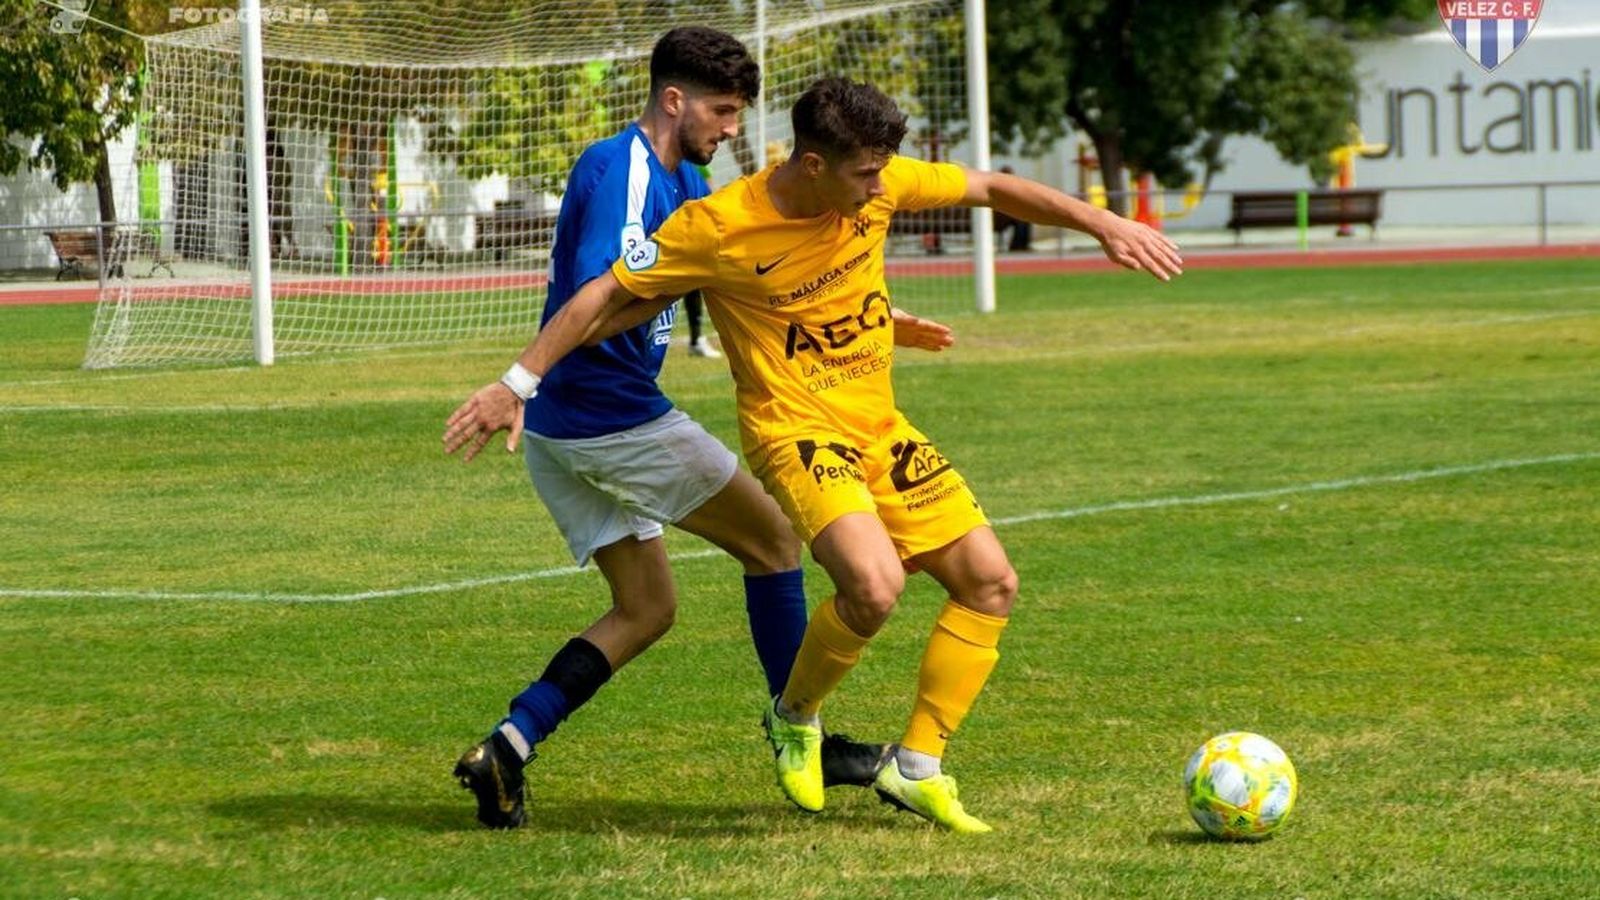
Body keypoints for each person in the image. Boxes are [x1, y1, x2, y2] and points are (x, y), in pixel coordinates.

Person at [443, 76, 1182, 833]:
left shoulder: (874, 185)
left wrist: (1102, 222)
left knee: (990, 582)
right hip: (787, 431)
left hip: (879, 429)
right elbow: (606, 295)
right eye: (865, 173)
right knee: (863, 580)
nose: (880, 187)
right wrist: (522, 379)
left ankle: (917, 765)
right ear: (815, 164)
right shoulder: (717, 223)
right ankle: (797, 721)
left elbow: (989, 186)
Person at [442, 33, 953, 831]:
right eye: (720, 110)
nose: (730, 128)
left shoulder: (691, 179)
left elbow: (741, 279)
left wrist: (869, 319)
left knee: (646, 608)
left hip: (563, 429)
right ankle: (805, 738)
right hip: (606, 415)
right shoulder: (622, 171)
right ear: (673, 100)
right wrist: (517, 381)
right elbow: (601, 295)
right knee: (775, 540)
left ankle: (506, 747)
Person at [992, 165, 1033, 251]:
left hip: (1000, 218)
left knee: (1023, 219)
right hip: (996, 220)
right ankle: (1018, 245)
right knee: (1022, 220)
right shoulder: (998, 187)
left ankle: (1019, 245)